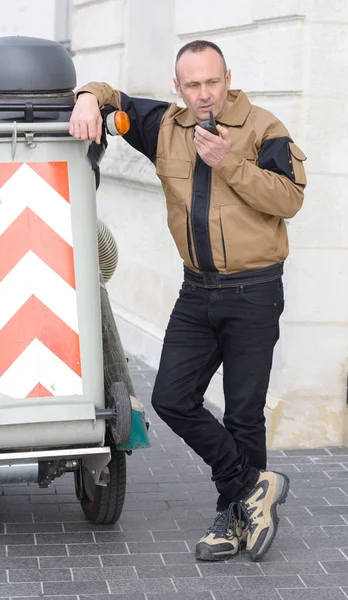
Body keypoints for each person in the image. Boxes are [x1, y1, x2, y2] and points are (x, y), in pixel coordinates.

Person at [69, 40, 306, 562]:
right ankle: (253, 487)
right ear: (178, 88)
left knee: (244, 414)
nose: (205, 95)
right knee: (172, 397)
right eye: (193, 85)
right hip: (196, 290)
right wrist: (88, 98)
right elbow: (116, 99)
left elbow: (289, 199)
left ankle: (232, 518)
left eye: (213, 82)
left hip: (254, 290)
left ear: (228, 79)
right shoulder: (164, 127)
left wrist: (229, 164)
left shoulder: (264, 128)